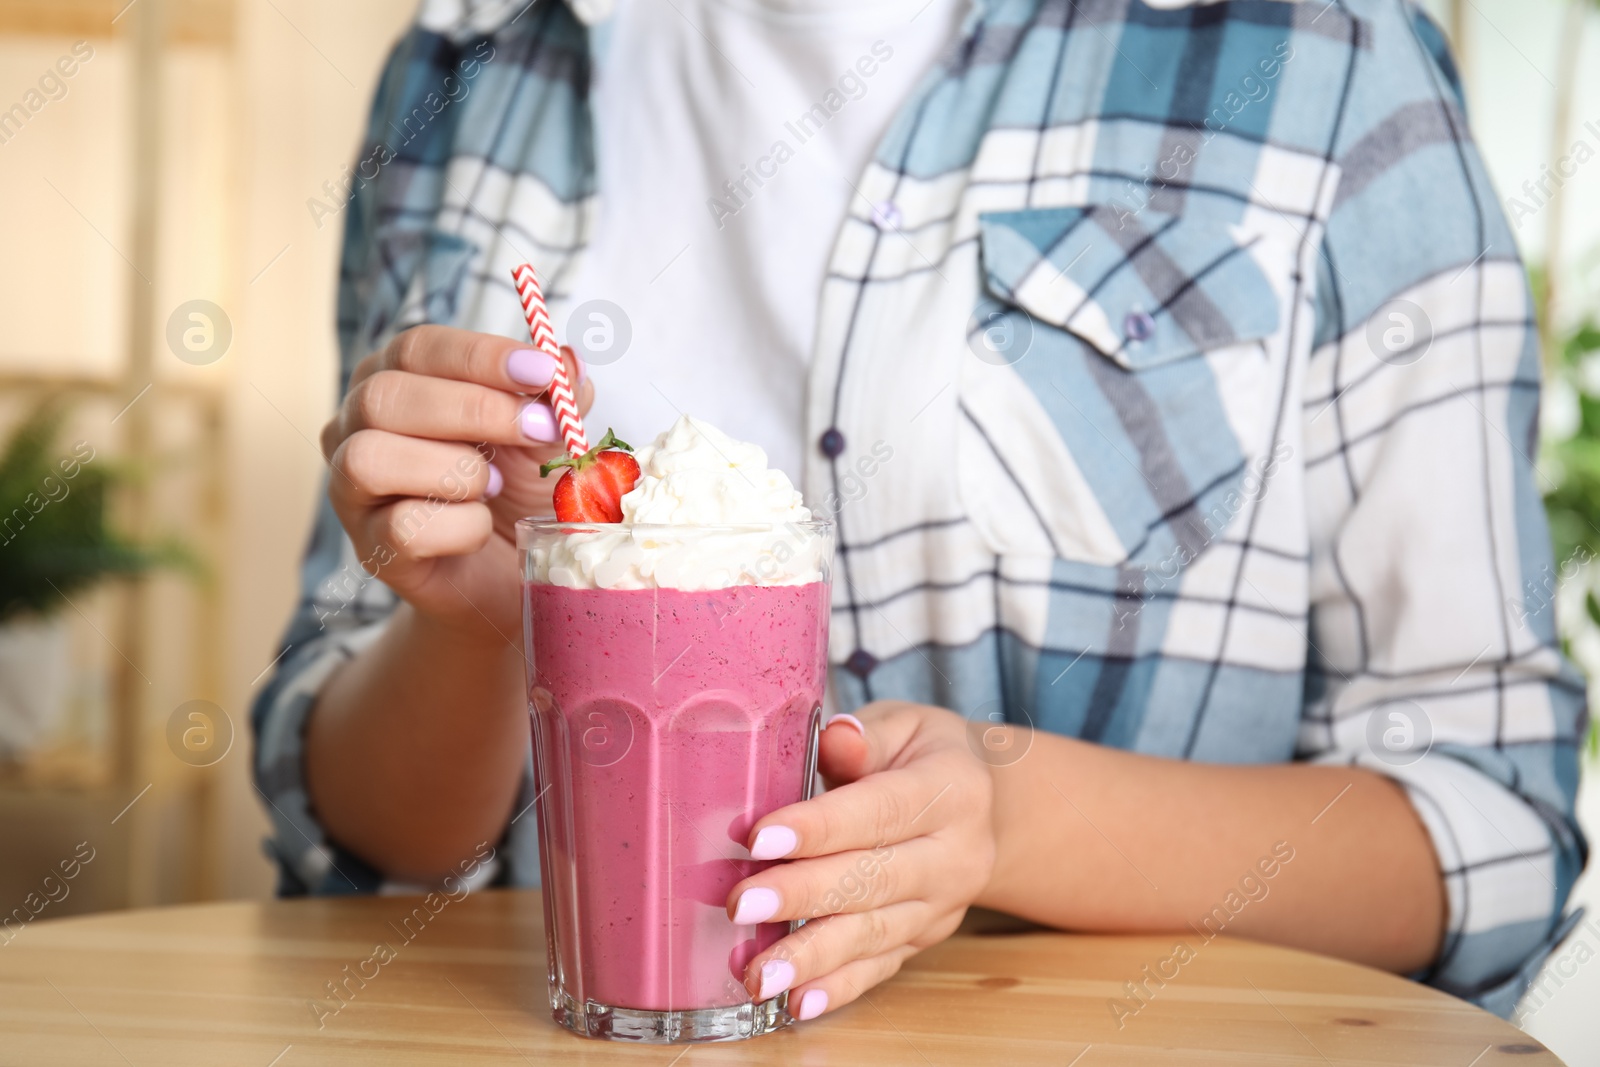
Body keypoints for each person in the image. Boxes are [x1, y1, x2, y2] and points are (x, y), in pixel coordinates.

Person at [253, 0, 1587, 1022]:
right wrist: (488, 630)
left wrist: (1005, 824)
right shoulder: (469, 58)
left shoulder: (1322, 56)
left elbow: (1490, 823)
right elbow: (359, 842)